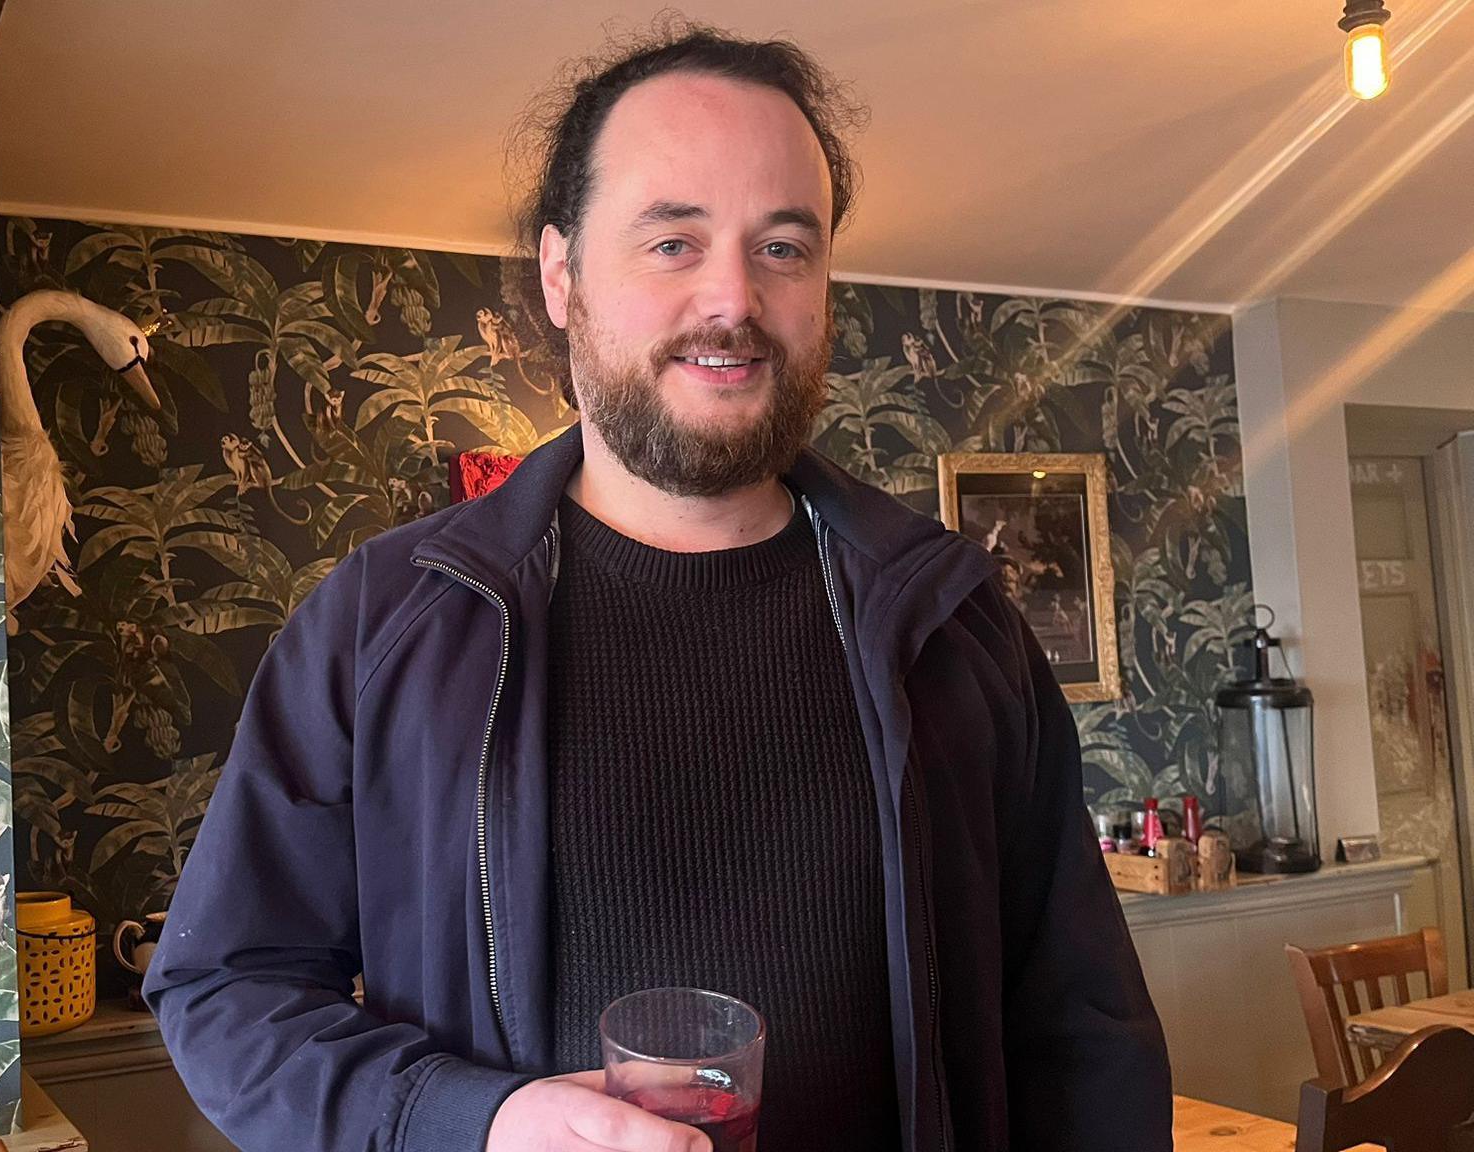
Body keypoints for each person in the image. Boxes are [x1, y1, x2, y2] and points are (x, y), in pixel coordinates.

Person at [145, 22, 1170, 1152]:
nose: (731, 300)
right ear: (558, 276)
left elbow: (1085, 1041)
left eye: (782, 247)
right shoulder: (383, 622)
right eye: (671, 241)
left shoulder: (956, 624)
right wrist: (473, 1122)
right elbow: (224, 991)